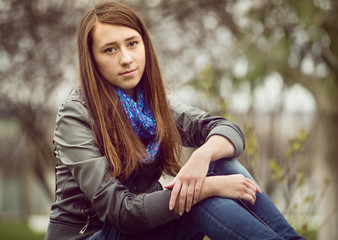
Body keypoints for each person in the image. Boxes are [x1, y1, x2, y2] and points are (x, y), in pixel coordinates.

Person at [45, 1, 304, 240]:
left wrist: (202, 157)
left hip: (141, 228)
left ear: (145, 44)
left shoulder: (153, 104)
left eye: (132, 43)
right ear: (92, 60)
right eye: (110, 50)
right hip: (90, 234)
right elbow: (120, 212)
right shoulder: (76, 115)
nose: (126, 58)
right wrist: (207, 186)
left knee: (218, 161)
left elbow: (228, 130)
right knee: (196, 197)